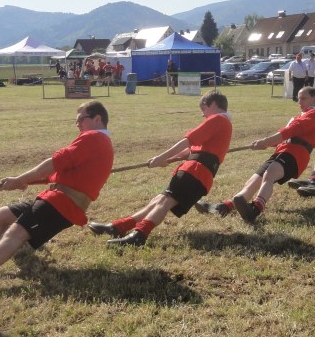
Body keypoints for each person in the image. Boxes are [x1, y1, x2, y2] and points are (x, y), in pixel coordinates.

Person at [0, 101, 114, 297]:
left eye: (81, 119)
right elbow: (59, 173)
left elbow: (53, 163)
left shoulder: (93, 138)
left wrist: (20, 179)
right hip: (57, 200)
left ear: (97, 119)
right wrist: (23, 181)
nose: (77, 124)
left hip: (63, 204)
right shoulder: (99, 142)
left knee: (16, 233)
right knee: (2, 215)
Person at [88, 89, 232, 246]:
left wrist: (161, 157)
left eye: (204, 109)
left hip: (196, 172)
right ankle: (119, 227)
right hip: (197, 172)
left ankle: (139, 235)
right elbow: (192, 151)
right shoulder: (223, 123)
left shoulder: (218, 119)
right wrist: (168, 159)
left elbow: (188, 141)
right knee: (159, 200)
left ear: (213, 104)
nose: (202, 114)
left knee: (165, 202)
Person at [196, 87, 315, 223]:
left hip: (296, 156)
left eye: (303, 98)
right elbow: (285, 138)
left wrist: (265, 141)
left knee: (269, 174)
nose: (299, 102)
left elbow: (290, 131)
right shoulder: (301, 115)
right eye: (298, 98)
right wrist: (265, 144)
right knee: (253, 182)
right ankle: (223, 207)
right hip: (282, 152)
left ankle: (255, 209)